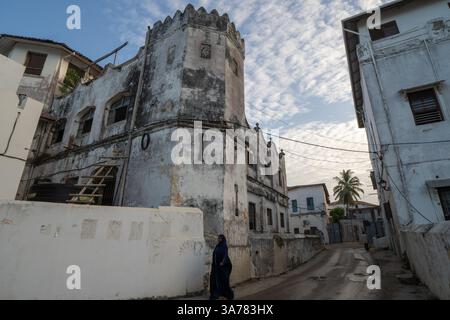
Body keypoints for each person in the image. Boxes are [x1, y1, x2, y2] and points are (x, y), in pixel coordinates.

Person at [209, 234, 234, 300]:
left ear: (223, 239)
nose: (218, 239)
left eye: (220, 238)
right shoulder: (217, 246)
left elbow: (225, 255)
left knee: (223, 281)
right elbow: (215, 254)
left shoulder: (224, 246)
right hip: (216, 267)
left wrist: (223, 262)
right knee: (215, 280)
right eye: (218, 238)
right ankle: (215, 294)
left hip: (223, 267)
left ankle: (228, 294)